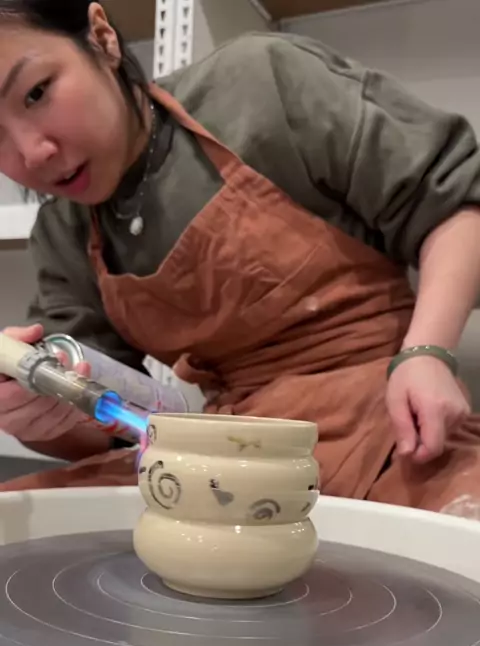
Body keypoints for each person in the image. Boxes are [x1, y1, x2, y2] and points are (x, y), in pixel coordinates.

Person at [0, 0, 479, 513]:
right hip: (227, 453)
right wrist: (34, 417)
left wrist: (427, 353)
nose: (31, 152)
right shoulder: (64, 231)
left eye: (36, 93)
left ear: (102, 37)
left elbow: (457, 204)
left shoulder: (258, 85)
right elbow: (106, 423)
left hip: (390, 426)